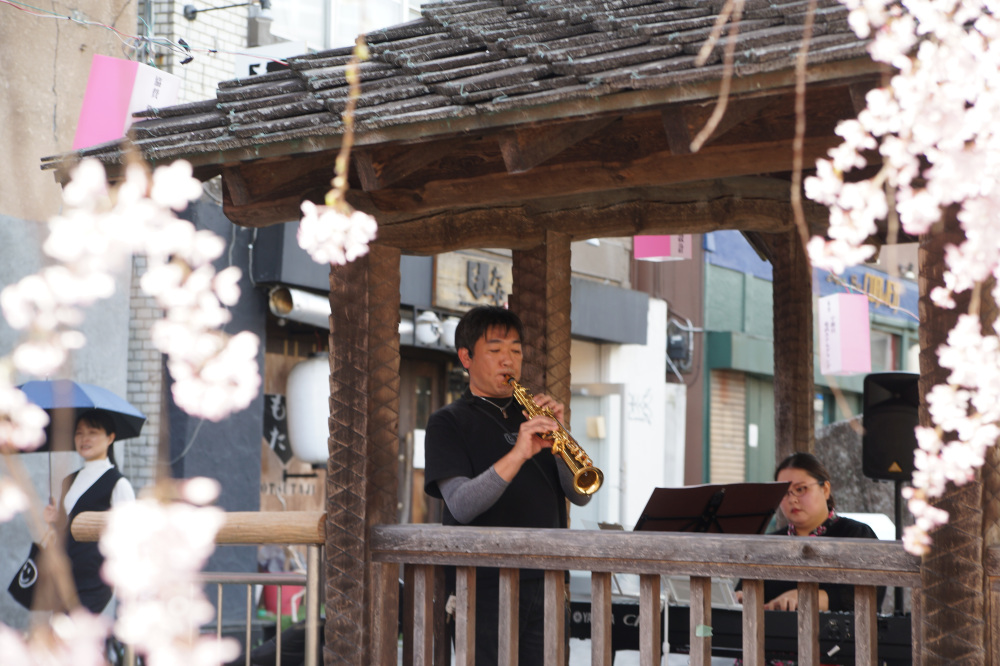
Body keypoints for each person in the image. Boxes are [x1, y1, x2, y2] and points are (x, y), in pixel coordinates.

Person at [423, 305, 593, 666]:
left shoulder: (534, 417)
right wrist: (519, 453)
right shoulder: (447, 422)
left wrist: (561, 437)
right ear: (466, 358)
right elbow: (461, 505)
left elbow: (580, 495)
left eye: (516, 350)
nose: (508, 360)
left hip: (547, 580)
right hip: (481, 587)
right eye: (495, 349)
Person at [735, 452, 883, 613]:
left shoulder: (856, 534)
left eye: (800, 489)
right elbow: (744, 588)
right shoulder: (768, 544)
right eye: (784, 492)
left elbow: (870, 593)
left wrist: (804, 597)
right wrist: (741, 597)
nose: (792, 499)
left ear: (825, 489)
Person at [44, 409, 136, 615]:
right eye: (79, 433)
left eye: (92, 432)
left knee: (75, 629)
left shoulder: (118, 483)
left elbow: (130, 534)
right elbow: (66, 531)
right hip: (64, 576)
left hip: (95, 579)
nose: (84, 438)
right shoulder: (69, 480)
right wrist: (54, 521)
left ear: (110, 438)